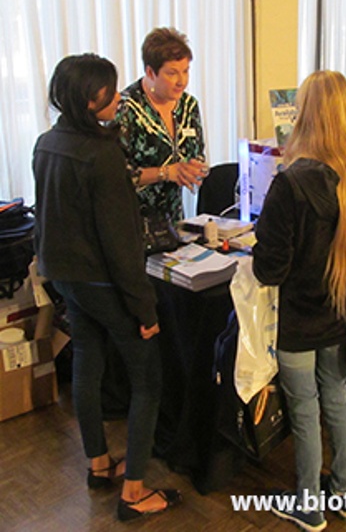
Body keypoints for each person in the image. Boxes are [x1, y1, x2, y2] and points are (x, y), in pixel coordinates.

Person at [32, 54, 181, 522]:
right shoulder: (102, 155)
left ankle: (99, 464)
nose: (119, 97)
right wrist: (146, 311)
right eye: (111, 92)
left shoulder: (46, 143)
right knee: (147, 380)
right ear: (89, 98)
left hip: (66, 277)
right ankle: (134, 493)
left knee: (88, 366)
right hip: (102, 280)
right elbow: (121, 243)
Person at [253, 70, 346, 531]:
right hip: (339, 312)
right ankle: (344, 491)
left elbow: (269, 268)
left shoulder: (292, 183)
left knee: (304, 408)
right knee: (337, 397)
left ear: (305, 115)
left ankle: (308, 503)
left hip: (296, 320)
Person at [115, 27, 208, 223]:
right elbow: (116, 175)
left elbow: (197, 153)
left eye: (185, 71)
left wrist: (194, 169)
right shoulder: (126, 108)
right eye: (172, 73)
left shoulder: (189, 105)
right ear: (150, 72)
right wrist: (165, 173)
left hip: (174, 223)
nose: (181, 81)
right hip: (132, 222)